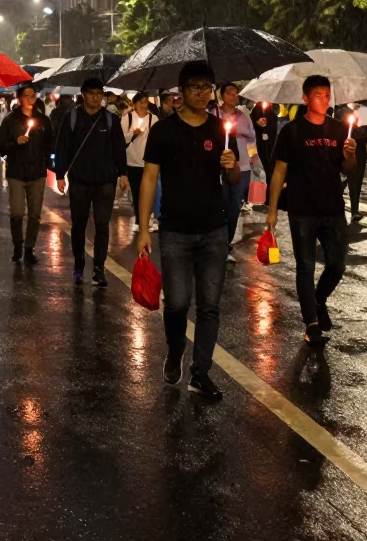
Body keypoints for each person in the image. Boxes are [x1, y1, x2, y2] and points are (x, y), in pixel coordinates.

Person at [137, 61, 240, 400]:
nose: (201, 92)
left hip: (214, 229)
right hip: (175, 231)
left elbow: (233, 180)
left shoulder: (221, 130)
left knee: (209, 306)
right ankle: (175, 348)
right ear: (181, 91)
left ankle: (200, 372)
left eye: (206, 86)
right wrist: (143, 229)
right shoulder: (163, 131)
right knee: (178, 304)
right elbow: (150, 178)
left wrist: (233, 167)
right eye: (194, 86)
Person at [266, 75, 358, 345]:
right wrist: (272, 211)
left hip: (333, 208)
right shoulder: (292, 131)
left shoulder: (340, 130)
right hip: (302, 210)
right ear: (305, 98)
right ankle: (311, 324)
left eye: (327, 95)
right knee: (305, 266)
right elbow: (279, 170)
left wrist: (350, 154)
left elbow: (347, 169)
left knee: (338, 263)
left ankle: (319, 299)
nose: (324, 99)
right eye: (318, 95)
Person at [54, 77, 128, 289]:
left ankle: (99, 268)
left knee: (103, 225)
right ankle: (79, 263)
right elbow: (62, 147)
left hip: (105, 181)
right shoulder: (72, 117)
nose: (96, 98)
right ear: (83, 94)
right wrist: (60, 174)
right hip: (79, 180)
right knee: (79, 224)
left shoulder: (110, 120)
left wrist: (123, 173)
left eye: (99, 94)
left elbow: (119, 147)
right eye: (92, 93)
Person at [0, 84, 53, 264]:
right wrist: (15, 142)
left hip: (37, 172)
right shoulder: (10, 120)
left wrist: (48, 161)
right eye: (26, 96)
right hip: (16, 173)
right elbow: (0, 147)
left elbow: (51, 144)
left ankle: (29, 248)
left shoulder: (43, 120)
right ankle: (17, 245)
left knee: (35, 214)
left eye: (33, 96)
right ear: (19, 98)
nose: (30, 99)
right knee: (17, 212)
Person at [212, 83, 256, 262]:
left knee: (234, 207)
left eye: (236, 93)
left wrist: (238, 130)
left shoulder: (243, 115)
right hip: (220, 166)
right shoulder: (214, 114)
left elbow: (252, 135)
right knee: (220, 205)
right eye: (230, 93)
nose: (234, 96)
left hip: (242, 166)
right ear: (222, 96)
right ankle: (216, 242)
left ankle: (226, 243)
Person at [122, 92, 159, 234]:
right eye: (141, 102)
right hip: (133, 162)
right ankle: (140, 220)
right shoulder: (128, 118)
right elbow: (121, 140)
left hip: (149, 162)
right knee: (138, 193)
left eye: (146, 102)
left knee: (151, 192)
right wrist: (133, 134)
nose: (144, 105)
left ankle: (148, 218)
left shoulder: (153, 118)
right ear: (135, 104)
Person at [345, 100, 367, 222]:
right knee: (339, 181)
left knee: (355, 181)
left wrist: (362, 124)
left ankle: (354, 210)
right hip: (341, 149)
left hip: (358, 150)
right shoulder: (342, 111)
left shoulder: (364, 113)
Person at [252, 101, 279, 183]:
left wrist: (266, 127)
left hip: (269, 149)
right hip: (256, 149)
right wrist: (257, 124)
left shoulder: (273, 115)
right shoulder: (253, 114)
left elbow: (274, 133)